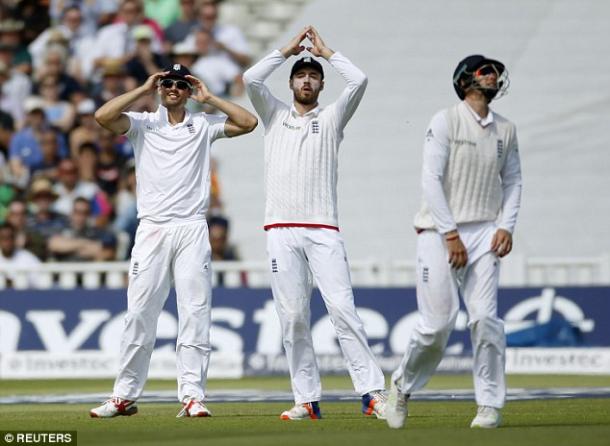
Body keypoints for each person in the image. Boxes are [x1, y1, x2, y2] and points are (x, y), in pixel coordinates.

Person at [89, 63, 257, 418]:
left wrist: (210, 98)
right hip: (151, 228)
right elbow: (103, 117)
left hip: (192, 227)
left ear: (188, 89)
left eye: (181, 84)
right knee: (139, 312)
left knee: (195, 312)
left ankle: (193, 397)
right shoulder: (143, 123)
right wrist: (142, 89)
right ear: (161, 87)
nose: (173, 89)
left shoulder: (202, 124)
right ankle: (124, 395)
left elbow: (248, 122)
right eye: (168, 83)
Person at [243, 26, 386, 421]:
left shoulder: (334, 116)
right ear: (291, 82)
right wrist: (286, 50)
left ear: (321, 83)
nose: (307, 80)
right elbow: (250, 78)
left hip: (323, 229)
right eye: (301, 75)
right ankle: (307, 399)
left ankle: (372, 393)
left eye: (313, 75)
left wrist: (327, 53)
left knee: (342, 309)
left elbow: (359, 79)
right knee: (292, 317)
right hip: (280, 230)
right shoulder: (273, 113)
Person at [384, 55, 522, 430]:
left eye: (495, 72)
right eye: (485, 71)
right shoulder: (444, 120)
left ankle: (489, 404)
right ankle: (401, 386)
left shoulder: (505, 130)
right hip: (437, 231)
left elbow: (512, 181)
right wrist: (449, 234)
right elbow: (431, 179)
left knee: (485, 320)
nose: (493, 76)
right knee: (437, 325)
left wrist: (506, 225)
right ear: (465, 81)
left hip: (484, 233)